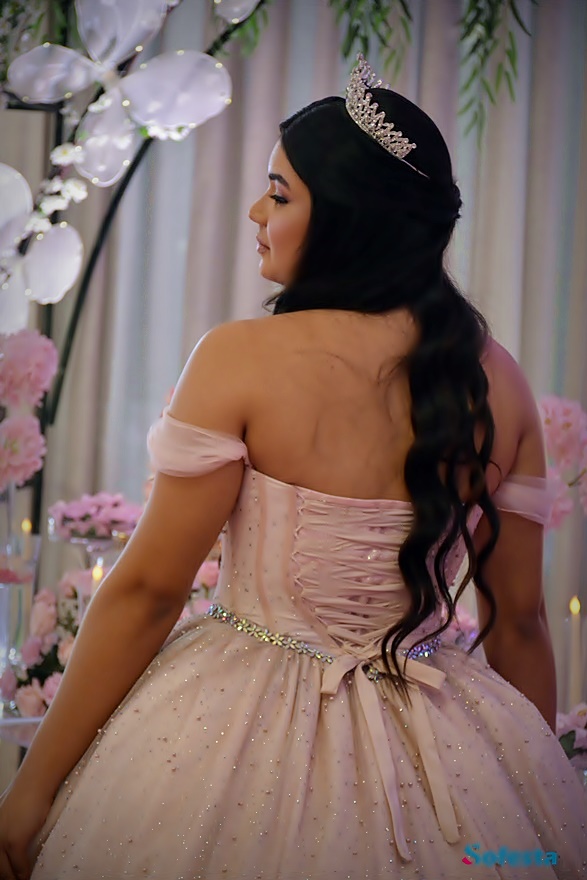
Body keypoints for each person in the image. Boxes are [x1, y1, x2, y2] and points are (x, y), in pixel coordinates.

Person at [1, 54, 586, 880]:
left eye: (278, 194)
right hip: (447, 752)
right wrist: (529, 791)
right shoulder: (503, 384)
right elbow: (519, 623)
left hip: (229, 735)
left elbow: (149, 592)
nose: (256, 211)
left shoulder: (239, 358)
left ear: (347, 218)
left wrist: (31, 789)